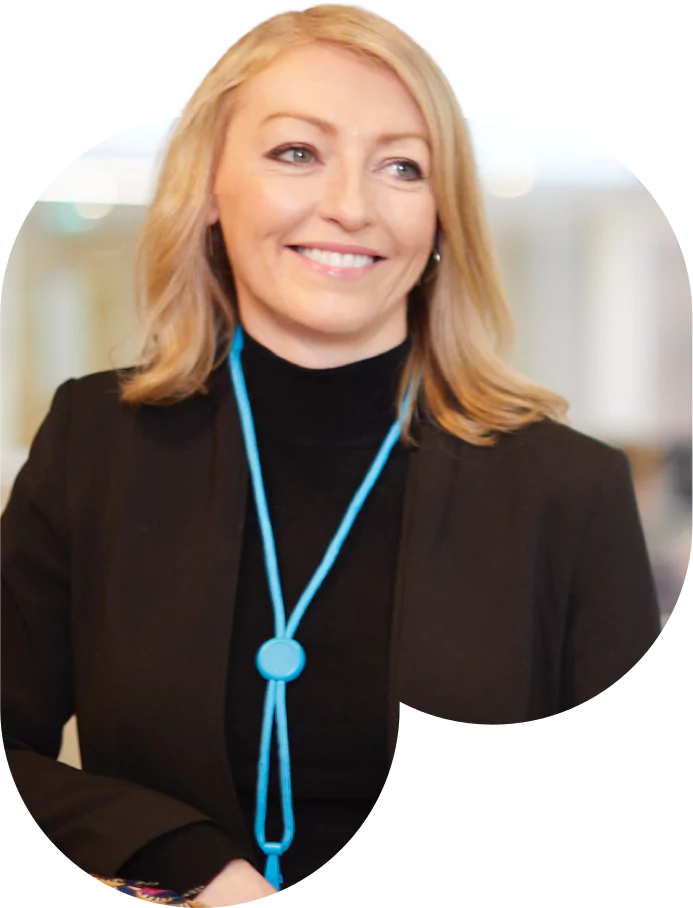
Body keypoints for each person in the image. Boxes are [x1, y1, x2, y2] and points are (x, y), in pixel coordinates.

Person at [0, 3, 662, 906]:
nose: (350, 205)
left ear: (439, 222)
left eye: (401, 166)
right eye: (296, 153)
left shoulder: (565, 486)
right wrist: (183, 855)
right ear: (208, 192)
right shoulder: (97, 441)